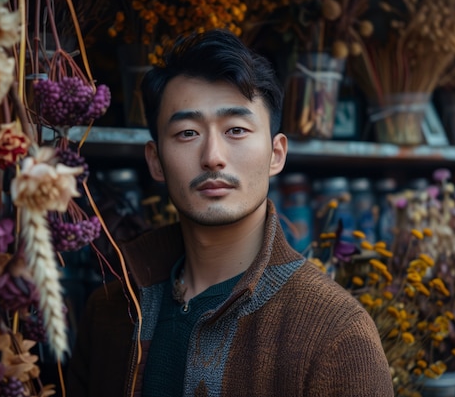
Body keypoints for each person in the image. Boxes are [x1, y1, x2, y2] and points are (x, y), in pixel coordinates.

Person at [66, 29, 393, 396]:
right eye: (187, 133)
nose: (213, 156)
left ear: (276, 153)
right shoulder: (111, 310)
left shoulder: (334, 331)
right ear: (155, 161)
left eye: (236, 129)